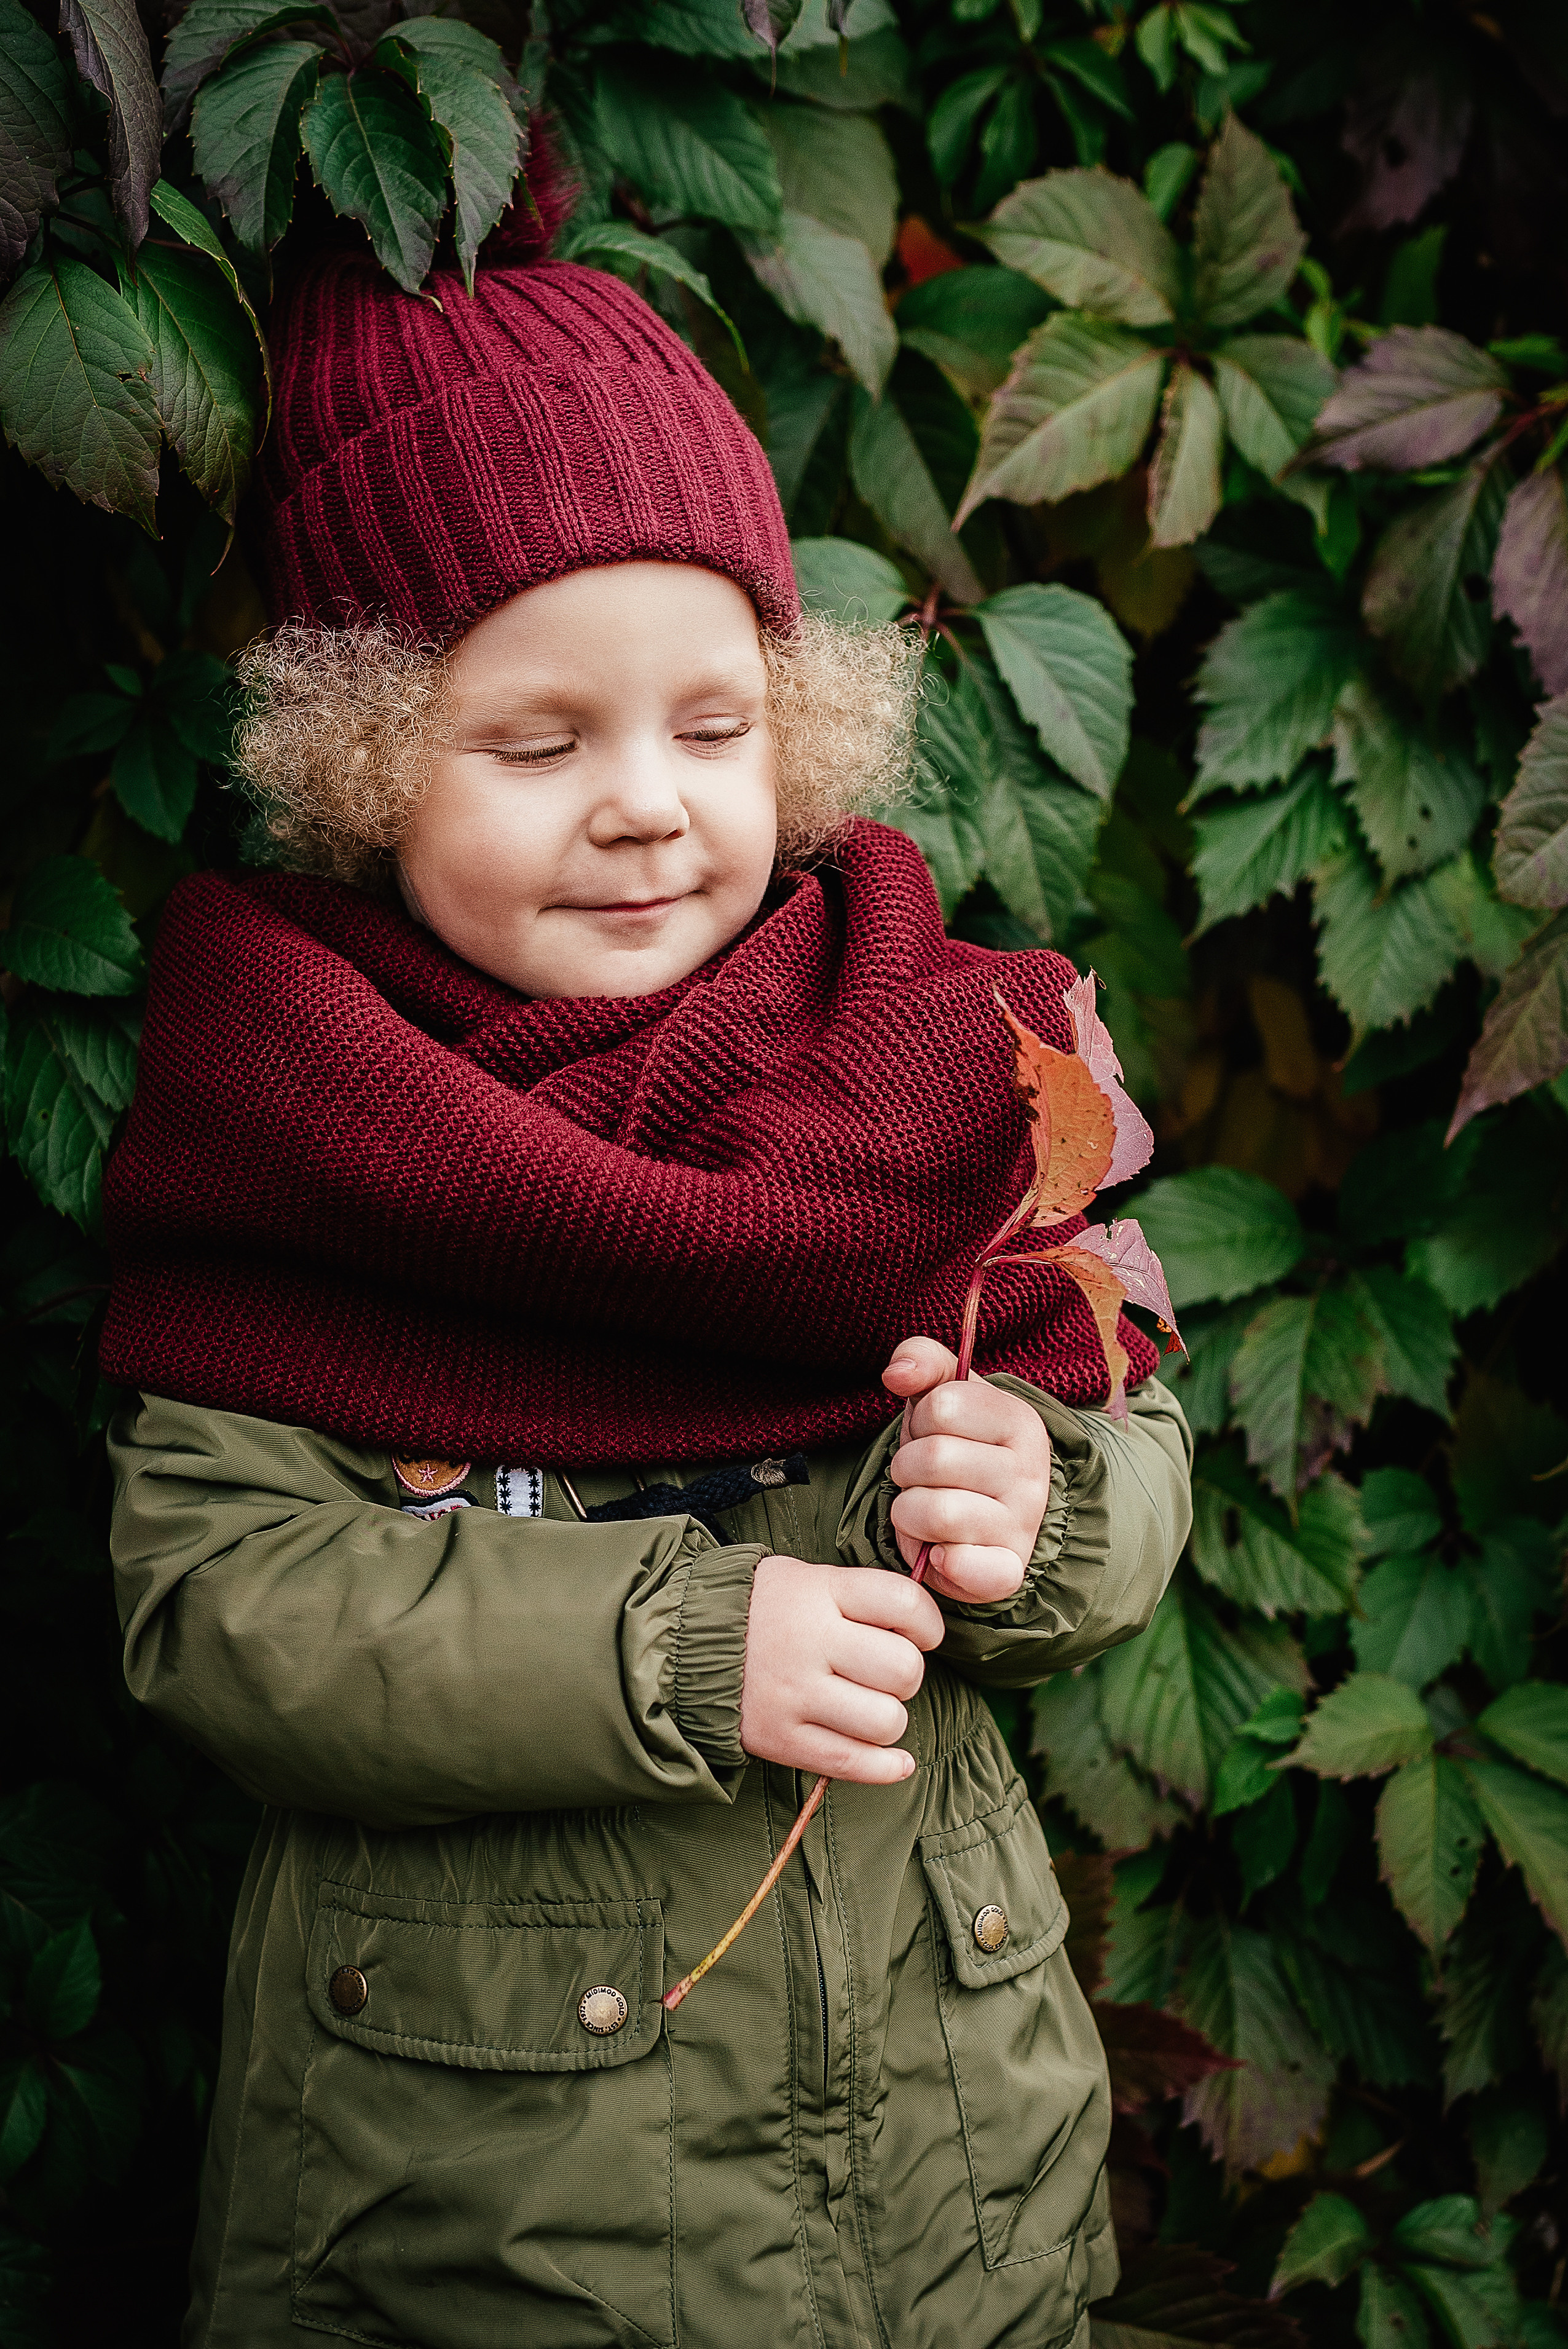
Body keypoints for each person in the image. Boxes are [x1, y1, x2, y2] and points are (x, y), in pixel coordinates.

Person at [101, 162, 1193, 2349]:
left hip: (952, 2172)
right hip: (492, 2218)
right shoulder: (305, 1123)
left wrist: (1046, 1505)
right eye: (536, 741)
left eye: (711, 729)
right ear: (360, 763)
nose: (645, 802)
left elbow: (1131, 1407)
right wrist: (674, 1650)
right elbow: (222, 1604)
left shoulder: (929, 1059)